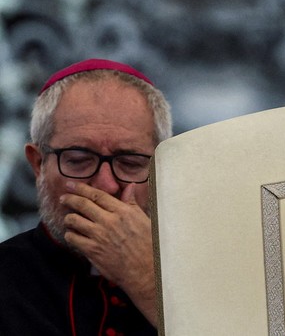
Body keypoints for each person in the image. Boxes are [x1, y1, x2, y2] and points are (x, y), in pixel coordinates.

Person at [0, 58, 172, 335]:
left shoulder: (209, 279)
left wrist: (149, 283)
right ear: (38, 165)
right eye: (79, 160)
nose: (106, 185)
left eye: (130, 162)